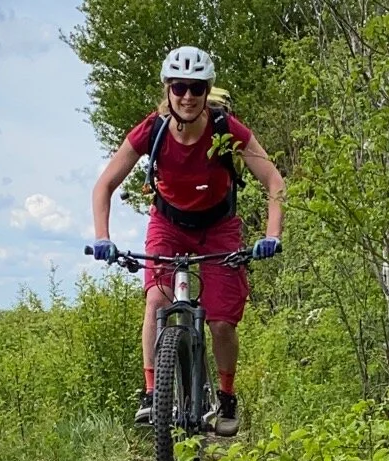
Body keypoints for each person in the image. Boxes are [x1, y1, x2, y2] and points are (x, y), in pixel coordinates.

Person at [90, 45, 284, 432]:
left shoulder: (227, 131)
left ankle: (226, 399)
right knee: (156, 301)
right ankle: (152, 393)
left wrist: (271, 235)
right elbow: (105, 185)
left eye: (196, 88)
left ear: (207, 91)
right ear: (168, 90)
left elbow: (274, 181)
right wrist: (102, 237)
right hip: (169, 223)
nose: (188, 96)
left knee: (222, 322)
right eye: (179, 87)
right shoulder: (153, 130)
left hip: (219, 227)